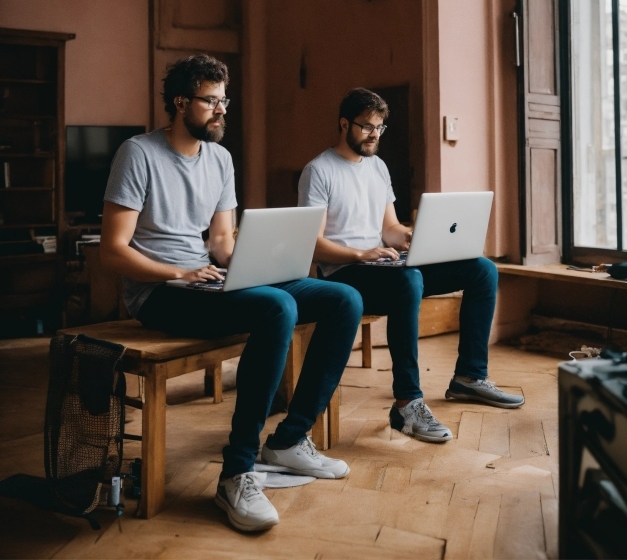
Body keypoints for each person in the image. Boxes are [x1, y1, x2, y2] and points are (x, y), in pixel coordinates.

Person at [100, 55, 363, 533]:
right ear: (181, 102)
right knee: (277, 307)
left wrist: (258, 261)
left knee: (342, 299)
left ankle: (288, 438)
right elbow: (114, 251)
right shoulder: (137, 153)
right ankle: (237, 471)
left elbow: (222, 243)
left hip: (205, 279)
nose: (222, 111)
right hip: (160, 292)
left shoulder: (220, 158)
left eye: (225, 101)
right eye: (211, 101)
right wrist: (182, 269)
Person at [298, 87, 524, 445]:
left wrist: (413, 237)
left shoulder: (377, 167)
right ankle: (407, 402)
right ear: (344, 124)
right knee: (408, 281)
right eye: (367, 127)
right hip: (345, 273)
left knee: (482, 269)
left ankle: (469, 377)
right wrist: (361, 254)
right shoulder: (319, 170)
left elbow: (389, 228)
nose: (374, 134)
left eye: (380, 127)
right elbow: (313, 244)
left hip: (384, 265)